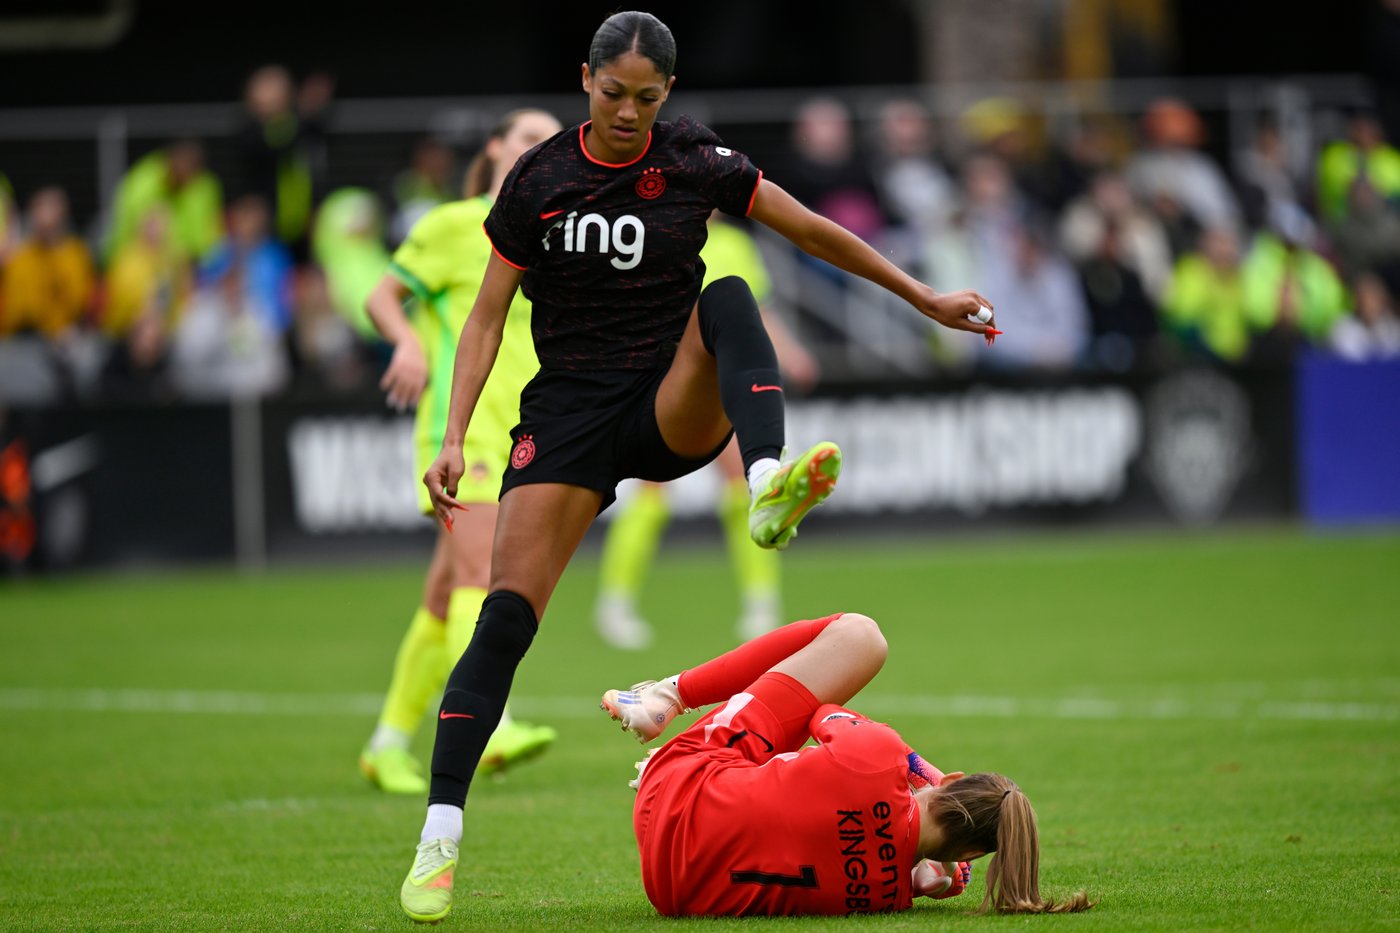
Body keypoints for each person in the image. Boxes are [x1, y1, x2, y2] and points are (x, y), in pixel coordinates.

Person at [400, 13, 995, 922]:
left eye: (647, 97)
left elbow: (812, 229)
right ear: (586, 81)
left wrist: (923, 298)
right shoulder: (541, 179)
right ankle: (439, 837)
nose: (629, 112)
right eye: (613, 94)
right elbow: (484, 318)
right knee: (503, 622)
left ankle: (764, 483)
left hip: (665, 403)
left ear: (666, 93)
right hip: (564, 423)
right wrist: (452, 436)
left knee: (726, 292)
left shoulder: (692, 159)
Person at [599, 611, 1094, 916]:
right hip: (670, 888)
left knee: (858, 637)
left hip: (680, 781)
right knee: (809, 784)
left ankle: (668, 694)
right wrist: (927, 873)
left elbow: (820, 711)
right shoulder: (888, 896)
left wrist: (917, 764)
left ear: (956, 782)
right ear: (965, 856)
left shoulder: (878, 758)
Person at [358, 110, 564, 797]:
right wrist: (407, 342)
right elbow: (381, 295)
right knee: (483, 566)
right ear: (496, 149)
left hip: (520, 430)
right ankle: (494, 719)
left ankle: (386, 744)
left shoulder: (556, 235)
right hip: (460, 431)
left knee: (446, 596)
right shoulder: (454, 225)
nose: (540, 149)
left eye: (552, 141)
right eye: (527, 137)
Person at [594, 211, 820, 649]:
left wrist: (790, 352)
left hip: (726, 381)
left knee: (744, 484)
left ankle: (761, 603)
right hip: (668, 381)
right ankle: (615, 602)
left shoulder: (734, 244)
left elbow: (757, 312)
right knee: (653, 493)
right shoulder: (653, 231)